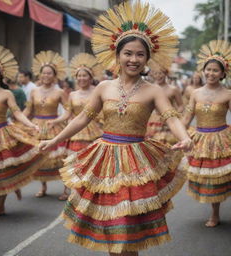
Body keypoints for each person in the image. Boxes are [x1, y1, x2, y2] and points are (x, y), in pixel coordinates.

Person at [39, 2, 192, 255]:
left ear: (147, 58)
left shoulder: (153, 90)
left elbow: (172, 117)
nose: (133, 59)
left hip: (137, 162)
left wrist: (185, 137)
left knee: (129, 227)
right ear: (117, 55)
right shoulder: (103, 88)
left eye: (140, 54)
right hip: (104, 158)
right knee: (110, 225)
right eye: (128, 53)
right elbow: (81, 120)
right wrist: (54, 139)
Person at [0, 44, 44, 218]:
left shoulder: (7, 94)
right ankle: (13, 186)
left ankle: (0, 206)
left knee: (1, 172)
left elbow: (17, 113)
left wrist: (31, 125)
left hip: (0, 135)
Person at [182, 40, 231, 228]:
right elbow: (186, 118)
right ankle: (214, 210)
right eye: (208, 69)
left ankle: (215, 213)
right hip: (200, 139)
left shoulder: (228, 94)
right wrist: (177, 134)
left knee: (220, 178)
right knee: (209, 178)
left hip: (221, 139)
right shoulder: (195, 93)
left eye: (215, 70)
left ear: (222, 74)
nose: (211, 73)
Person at [23, 50, 68, 200]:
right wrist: (18, 123)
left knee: (59, 158)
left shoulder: (60, 92)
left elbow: (68, 111)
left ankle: (65, 189)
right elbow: (28, 110)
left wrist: (58, 121)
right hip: (37, 127)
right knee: (40, 158)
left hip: (54, 127)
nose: (46, 76)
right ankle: (43, 187)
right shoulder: (34, 91)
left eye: (49, 73)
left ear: (54, 76)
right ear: (40, 75)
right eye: (44, 73)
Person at [48, 53, 103, 154]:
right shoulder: (72, 94)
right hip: (76, 130)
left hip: (95, 130)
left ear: (91, 77)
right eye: (79, 76)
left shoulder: (97, 91)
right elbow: (67, 114)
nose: (81, 78)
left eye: (84, 75)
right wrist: (55, 121)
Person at [146, 62, 184, 144]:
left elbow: (181, 106)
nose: (158, 76)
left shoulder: (173, 89)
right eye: (156, 73)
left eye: (161, 73)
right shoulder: (150, 89)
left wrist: (174, 116)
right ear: (153, 75)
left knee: (169, 145)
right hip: (154, 121)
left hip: (170, 121)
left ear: (166, 74)